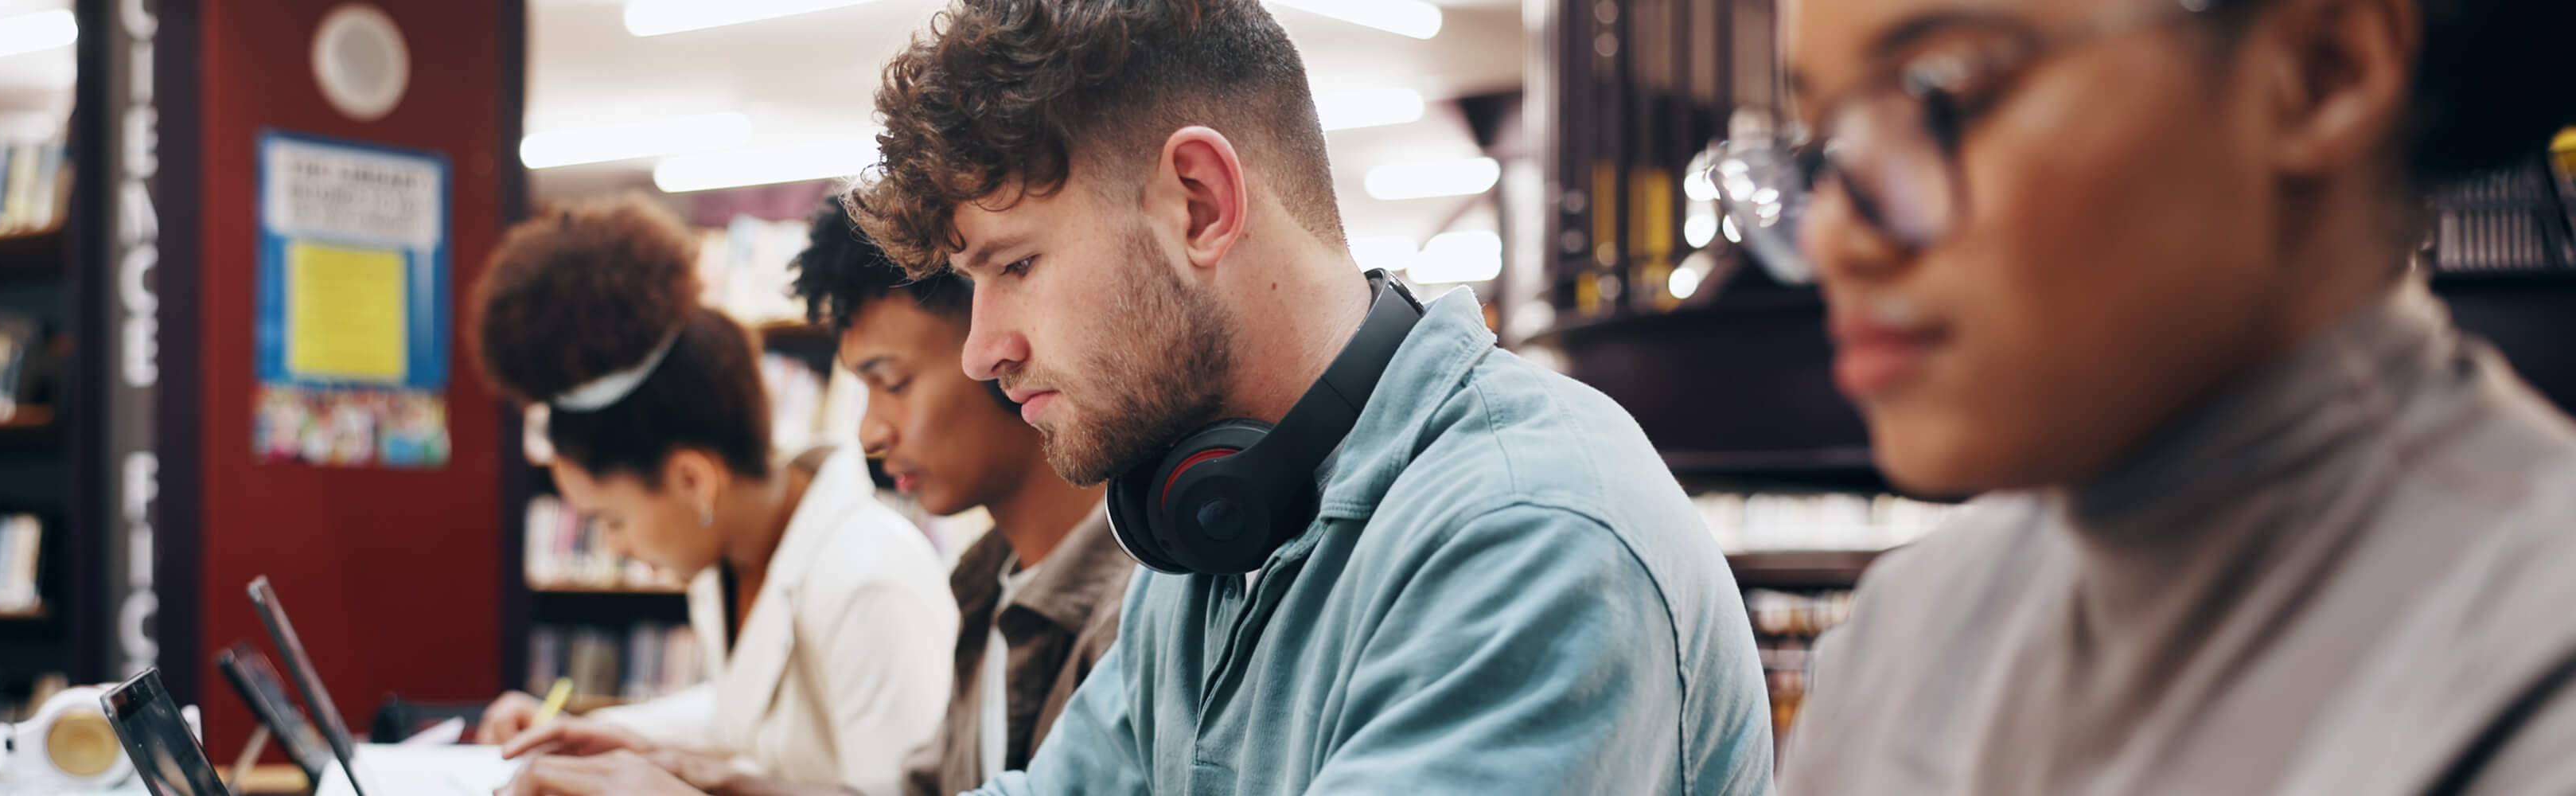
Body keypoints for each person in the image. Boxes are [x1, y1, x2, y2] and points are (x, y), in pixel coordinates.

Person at [842, 2, 1775, 794]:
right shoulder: (1217, 535)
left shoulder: (1531, 533)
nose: (981, 351)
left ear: (1200, 204)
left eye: (1018, 263)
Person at [1718, 0, 2576, 792]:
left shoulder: (2534, 673)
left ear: (2324, 70)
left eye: (1945, 94)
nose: (1833, 233)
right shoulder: (1898, 643)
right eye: (1823, 141)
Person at [501, 195, 1139, 796]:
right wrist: (696, 774)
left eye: (892, 382)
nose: (869, 432)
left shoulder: (1133, 616)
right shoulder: (985, 588)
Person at [465, 197, 958, 793]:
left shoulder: (869, 580)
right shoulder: (730, 562)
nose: (616, 545)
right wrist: (594, 731)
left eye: (612, 520)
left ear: (693, 479)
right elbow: (741, 714)